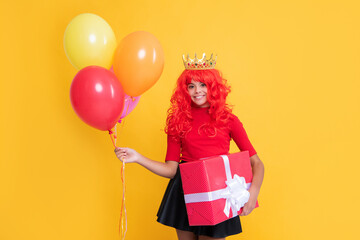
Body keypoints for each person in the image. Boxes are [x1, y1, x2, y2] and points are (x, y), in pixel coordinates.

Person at [115, 54, 264, 240]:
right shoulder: (178, 121)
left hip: (218, 192)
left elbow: (256, 163)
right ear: (185, 90)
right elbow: (171, 169)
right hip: (185, 191)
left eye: (203, 85)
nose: (197, 91)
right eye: (191, 86)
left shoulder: (229, 120)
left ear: (213, 87)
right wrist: (137, 157)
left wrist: (253, 192)